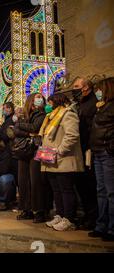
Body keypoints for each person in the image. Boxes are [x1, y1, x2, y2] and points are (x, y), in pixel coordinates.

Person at [39, 93, 84, 231]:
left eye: (50, 102)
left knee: (66, 189)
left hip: (63, 159)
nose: (48, 105)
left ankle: (69, 218)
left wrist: (59, 150)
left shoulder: (67, 114)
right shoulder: (51, 117)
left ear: (57, 102)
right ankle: (60, 214)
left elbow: (72, 135)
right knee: (56, 190)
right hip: (51, 160)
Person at [13, 92, 49, 223]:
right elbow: (15, 131)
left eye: (41, 97)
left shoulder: (42, 114)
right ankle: (26, 209)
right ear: (31, 101)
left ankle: (39, 210)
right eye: (37, 97)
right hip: (23, 150)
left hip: (36, 150)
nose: (39, 99)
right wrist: (29, 132)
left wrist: (21, 127)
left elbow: (36, 127)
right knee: (23, 181)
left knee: (36, 182)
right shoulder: (25, 115)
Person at [89, 77, 114, 242]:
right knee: (101, 191)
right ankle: (101, 225)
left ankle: (112, 228)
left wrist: (110, 146)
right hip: (98, 151)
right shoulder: (101, 106)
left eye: (100, 89)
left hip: (107, 152)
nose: (98, 92)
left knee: (111, 192)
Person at [72, 77, 99, 230]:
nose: (74, 89)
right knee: (81, 185)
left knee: (90, 185)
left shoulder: (94, 102)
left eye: (76, 86)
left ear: (86, 87)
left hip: (89, 149)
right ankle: (87, 215)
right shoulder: (79, 103)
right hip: (80, 149)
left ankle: (93, 217)